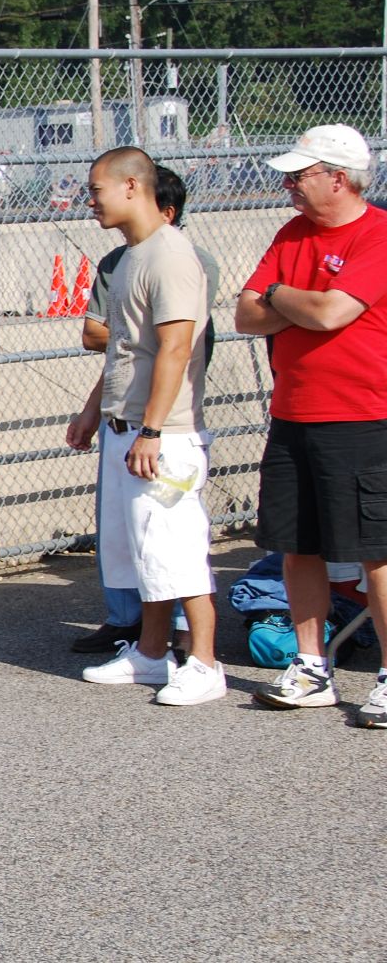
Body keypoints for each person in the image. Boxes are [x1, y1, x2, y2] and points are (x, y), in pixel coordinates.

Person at [232, 124, 387, 723]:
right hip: (293, 413)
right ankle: (311, 665)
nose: (290, 185)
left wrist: (278, 293)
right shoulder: (290, 233)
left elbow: (330, 312)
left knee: (375, 551)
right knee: (296, 547)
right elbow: (247, 315)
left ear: (338, 178)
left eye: (300, 175)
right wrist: (285, 298)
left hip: (363, 417)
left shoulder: (377, 234)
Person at [67, 146, 223, 705]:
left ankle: (204, 662)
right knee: (147, 552)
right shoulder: (134, 254)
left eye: (96, 190)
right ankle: (151, 654)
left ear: (132, 186)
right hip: (128, 426)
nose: (90, 201)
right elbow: (129, 350)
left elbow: (176, 348)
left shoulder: (171, 255)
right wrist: (96, 409)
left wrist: (152, 431)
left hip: (164, 433)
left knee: (176, 548)